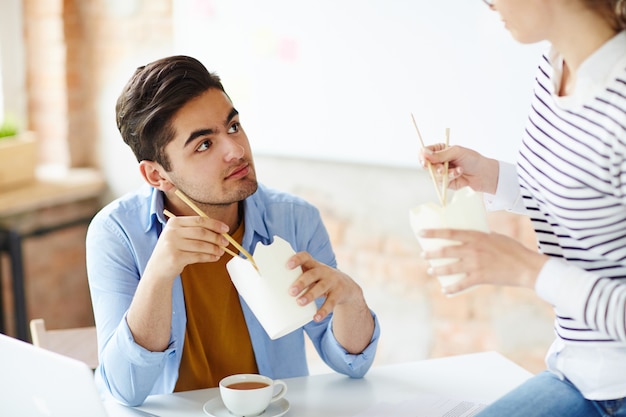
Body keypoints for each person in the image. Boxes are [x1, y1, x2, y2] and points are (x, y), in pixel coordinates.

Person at [86, 55, 379, 406]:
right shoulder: (117, 233)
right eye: (204, 144)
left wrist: (351, 299)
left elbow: (350, 362)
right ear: (157, 175)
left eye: (234, 127)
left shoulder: (294, 220)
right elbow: (123, 391)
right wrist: (159, 274)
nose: (236, 150)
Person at [419, 1, 626, 416]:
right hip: (578, 371)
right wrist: (490, 175)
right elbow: (590, 198)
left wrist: (528, 269)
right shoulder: (555, 67)